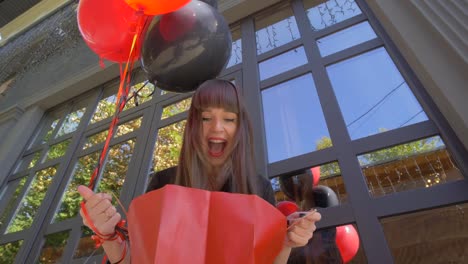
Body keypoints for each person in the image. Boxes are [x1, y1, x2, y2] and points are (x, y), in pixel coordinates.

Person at [78, 79, 321, 264]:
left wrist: (285, 242)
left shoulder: (259, 188)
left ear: (240, 128)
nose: (217, 128)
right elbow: (135, 258)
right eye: (206, 118)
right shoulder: (165, 182)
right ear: (194, 124)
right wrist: (108, 232)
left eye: (229, 119)